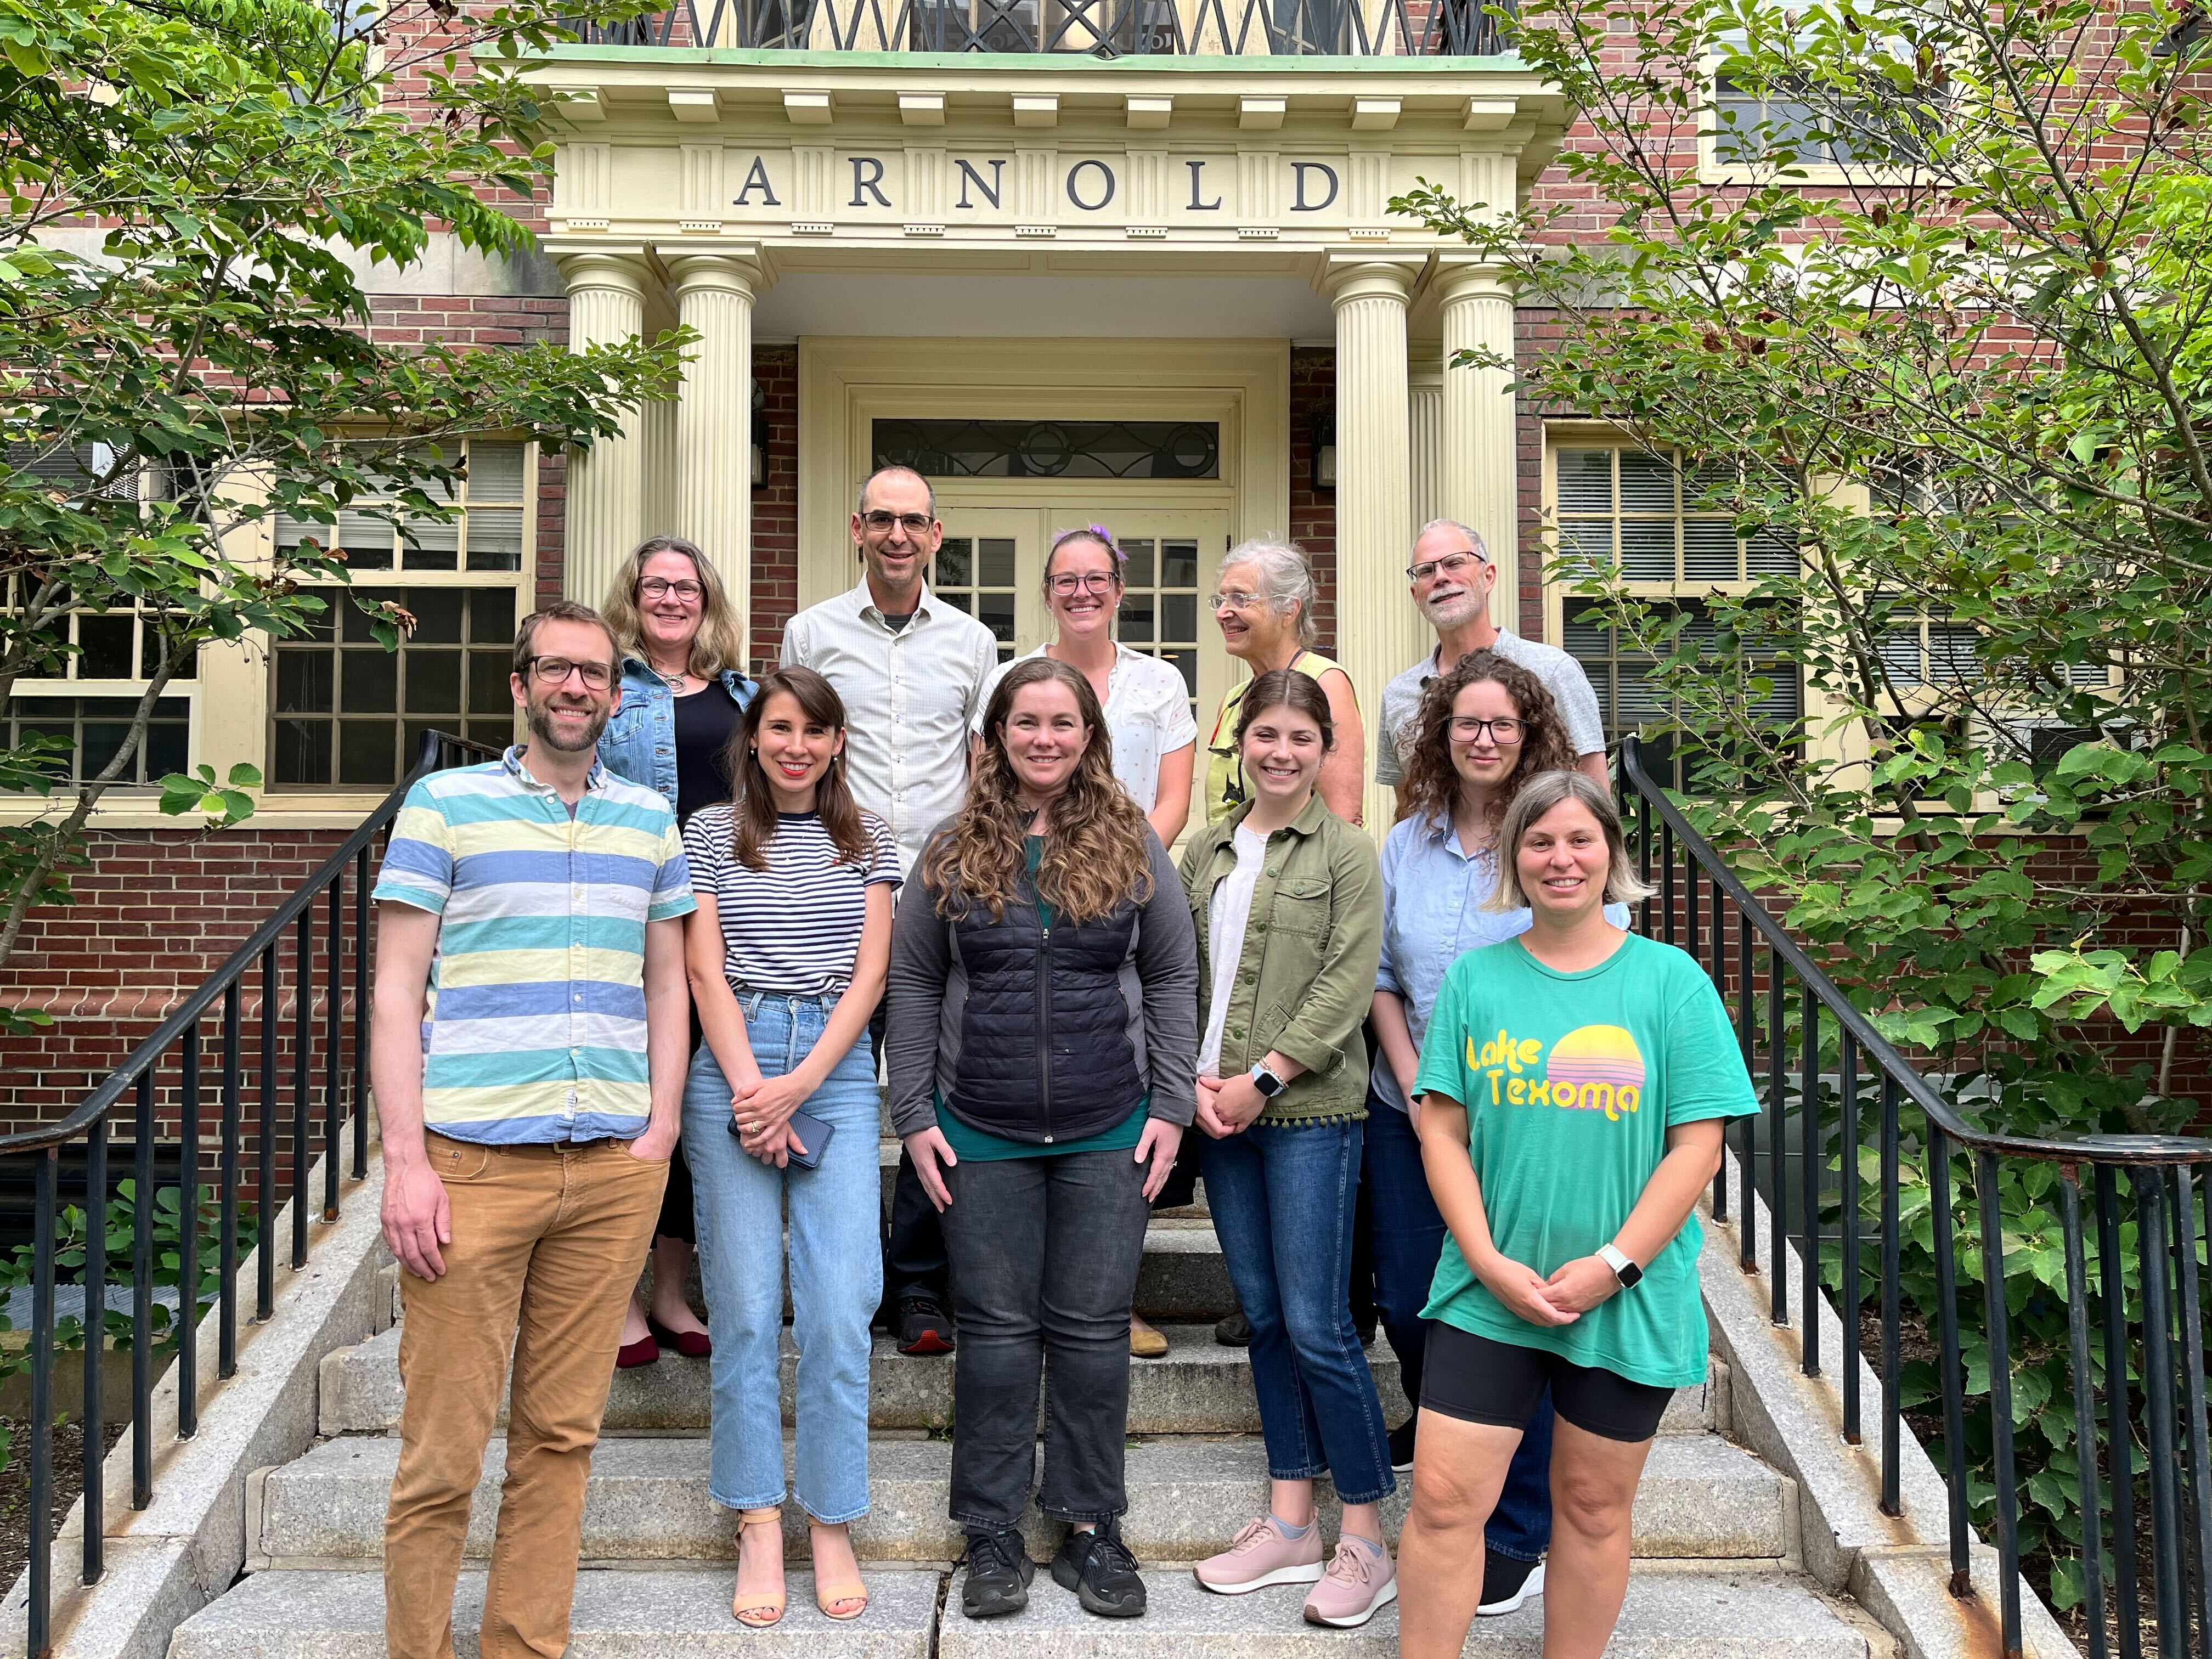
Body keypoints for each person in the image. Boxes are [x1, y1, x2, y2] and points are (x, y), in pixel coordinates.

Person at [371, 600, 695, 1659]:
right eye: (554, 669)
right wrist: (407, 1163)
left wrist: (654, 1137)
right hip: (471, 1169)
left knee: (560, 1436)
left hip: (608, 1172)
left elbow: (667, 987)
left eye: (594, 673)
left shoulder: (647, 820)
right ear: (519, 685)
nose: (574, 688)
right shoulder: (443, 805)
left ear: (615, 691)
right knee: (442, 1449)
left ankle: (523, 1644)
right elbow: (393, 991)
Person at [1396, 771, 1757, 1659]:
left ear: (1611, 854)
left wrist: (1613, 1263)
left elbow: (1695, 1147)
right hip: (1489, 1290)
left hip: (1623, 1295)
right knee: (1443, 1501)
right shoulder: (1478, 980)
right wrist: (1482, 1256)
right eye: (1539, 841)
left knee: (1593, 1508)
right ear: (1515, 859)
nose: (1561, 857)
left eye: (1579, 839)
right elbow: (1439, 1127)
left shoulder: (1670, 982)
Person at [887, 656, 1199, 1624]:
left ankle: (1090, 1522)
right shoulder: (950, 847)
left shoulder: (1131, 842)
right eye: (1026, 722)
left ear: (1090, 737)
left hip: (1110, 1125)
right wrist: (915, 1119)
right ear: (996, 736)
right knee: (994, 1332)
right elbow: (913, 984)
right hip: (980, 1129)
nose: (1044, 739)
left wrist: (1170, 1105)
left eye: (1063, 722)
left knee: (1093, 1330)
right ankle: (990, 1528)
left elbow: (1174, 974)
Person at [1369, 650, 1634, 1616]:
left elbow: (1591, 968)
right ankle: (1452, 1451)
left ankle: (1514, 1529)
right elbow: (1381, 975)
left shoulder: (1555, 838)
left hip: (1532, 1119)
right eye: (1464, 723)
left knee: (1529, 1312)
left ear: (1529, 732)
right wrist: (1410, 1075)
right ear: (1440, 736)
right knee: (1409, 1294)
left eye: (1501, 723)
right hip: (1412, 1106)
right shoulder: (1407, 841)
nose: (1482, 738)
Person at [681, 665, 899, 1627]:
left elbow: (873, 968)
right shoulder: (708, 833)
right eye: (780, 727)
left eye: (814, 729)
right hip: (729, 1062)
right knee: (741, 1301)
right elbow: (701, 960)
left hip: (836, 1070)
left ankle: (831, 1516)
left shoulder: (871, 838)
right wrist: (748, 1089)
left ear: (836, 740)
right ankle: (758, 1516)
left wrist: (801, 1082)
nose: (796, 744)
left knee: (841, 1302)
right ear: (754, 737)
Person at [1181, 669, 1396, 1631]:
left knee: (1318, 1321)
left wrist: (1259, 1077)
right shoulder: (1204, 848)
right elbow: (1175, 970)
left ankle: (1366, 1536)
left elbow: (1348, 983)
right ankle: (1289, 1519)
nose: (1279, 751)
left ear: (1323, 748)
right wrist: (1191, 1078)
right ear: (1241, 744)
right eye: (1263, 734)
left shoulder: (1350, 852)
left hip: (1306, 1112)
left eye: (1299, 737)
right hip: (1213, 1108)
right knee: (1263, 1315)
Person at [782, 464, 997, 1358]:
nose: (898, 534)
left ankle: (915, 1286)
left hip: (940, 890)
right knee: (827, 1080)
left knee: (929, 1087)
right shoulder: (812, 630)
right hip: (839, 884)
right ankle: (826, 1274)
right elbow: (788, 748)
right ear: (857, 527)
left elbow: (984, 765)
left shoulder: (974, 641)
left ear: (935, 534)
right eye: (883, 519)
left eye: (914, 520)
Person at [973, 524, 1197, 1358]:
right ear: (1046, 590)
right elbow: (985, 789)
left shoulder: (1160, 681)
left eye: (1096, 578)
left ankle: (1110, 1296)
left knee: (1116, 1086)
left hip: (1124, 897)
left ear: (1119, 587)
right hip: (1028, 901)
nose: (1081, 592)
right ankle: (1023, 1297)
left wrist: (1127, 874)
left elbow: (1172, 795)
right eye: (1065, 579)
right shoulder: (1007, 677)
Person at [598, 534, 758, 1368]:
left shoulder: (743, 695)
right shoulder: (603, 689)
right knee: (634, 1102)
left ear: (706, 598)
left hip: (718, 921)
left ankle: (670, 1292)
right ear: (635, 595)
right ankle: (620, 1300)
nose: (670, 599)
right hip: (630, 920)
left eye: (685, 586)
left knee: (697, 1102)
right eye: (655, 586)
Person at [1375, 520, 1610, 804]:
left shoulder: (1553, 671)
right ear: (1416, 596)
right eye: (1426, 570)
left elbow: (1594, 795)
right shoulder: (1400, 693)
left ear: (1488, 577)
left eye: (1454, 563)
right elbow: (1409, 804)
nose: (1440, 577)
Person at [1204, 537, 1364, 828]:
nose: (1222, 613)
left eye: (1241, 598)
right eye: (1221, 599)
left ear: (1289, 610)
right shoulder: (1234, 700)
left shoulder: (1325, 683)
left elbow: (1342, 820)